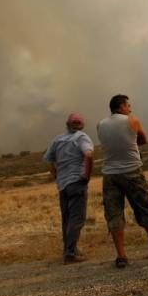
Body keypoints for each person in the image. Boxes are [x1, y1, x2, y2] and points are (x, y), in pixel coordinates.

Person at [97, 94, 148, 268]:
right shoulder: (132, 120)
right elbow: (143, 139)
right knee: (144, 207)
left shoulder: (100, 125)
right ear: (121, 107)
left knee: (114, 214)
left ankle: (121, 256)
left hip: (110, 174)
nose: (130, 108)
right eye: (128, 105)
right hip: (132, 171)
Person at [43, 113, 94, 264]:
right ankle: (70, 254)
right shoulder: (81, 137)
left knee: (67, 219)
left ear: (67, 124)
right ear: (82, 124)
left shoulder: (57, 139)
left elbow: (49, 159)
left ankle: (69, 250)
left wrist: (56, 176)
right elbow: (89, 155)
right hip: (76, 182)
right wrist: (86, 175)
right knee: (76, 219)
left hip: (63, 185)